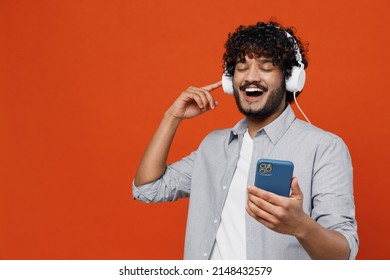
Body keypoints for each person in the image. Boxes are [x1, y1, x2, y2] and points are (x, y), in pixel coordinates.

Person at [132, 21, 358, 260]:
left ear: (291, 78)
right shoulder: (213, 146)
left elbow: (343, 254)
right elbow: (148, 189)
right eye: (241, 67)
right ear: (231, 81)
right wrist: (172, 117)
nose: (251, 77)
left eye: (266, 67)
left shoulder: (324, 148)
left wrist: (300, 226)